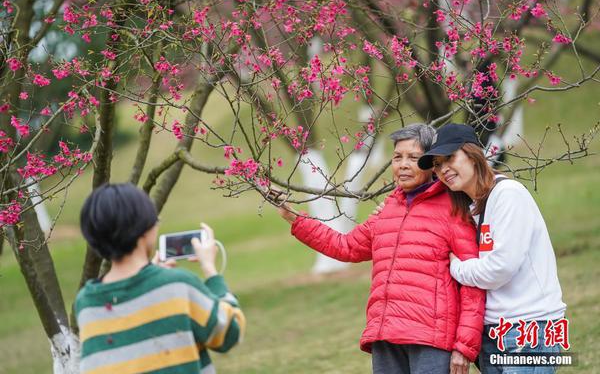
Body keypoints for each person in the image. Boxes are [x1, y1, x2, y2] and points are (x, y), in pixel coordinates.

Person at [275, 123, 485, 374]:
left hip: (431, 340)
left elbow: (473, 284)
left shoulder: (454, 209)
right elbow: (346, 247)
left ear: (431, 163)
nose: (403, 164)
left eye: (414, 158)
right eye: (397, 157)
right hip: (385, 336)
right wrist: (295, 219)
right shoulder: (387, 210)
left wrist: (464, 347)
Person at [417, 123, 567, 373]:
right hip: (491, 333)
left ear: (473, 153)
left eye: (450, 158)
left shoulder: (508, 195)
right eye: (438, 164)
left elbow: (499, 269)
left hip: (529, 329)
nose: (444, 169)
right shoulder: (468, 208)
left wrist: (457, 267)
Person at [75, 183, 245, 374]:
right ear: (144, 230)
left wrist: (153, 277)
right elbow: (229, 333)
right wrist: (211, 271)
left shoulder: (86, 302)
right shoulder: (177, 285)